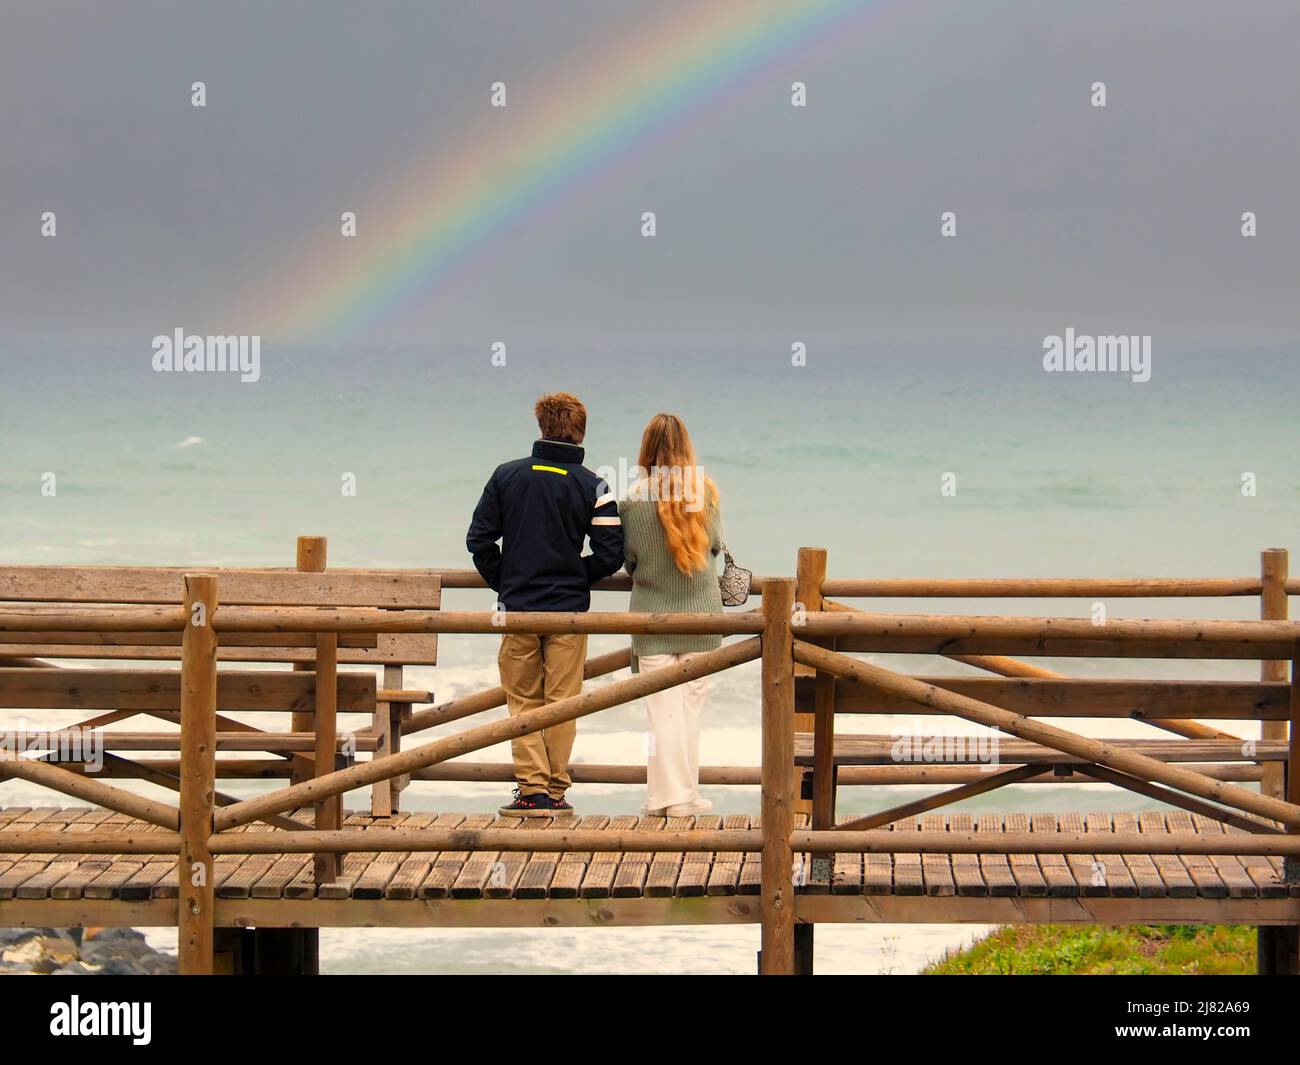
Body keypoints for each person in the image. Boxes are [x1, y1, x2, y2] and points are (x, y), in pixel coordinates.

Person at [467, 392, 623, 816]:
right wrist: (574, 575)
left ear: (541, 426)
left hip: (517, 606)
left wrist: (507, 579)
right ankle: (555, 790)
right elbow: (611, 555)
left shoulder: (506, 476)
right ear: (581, 430)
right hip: (569, 610)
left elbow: (478, 541)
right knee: (564, 701)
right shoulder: (595, 485)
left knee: (521, 699)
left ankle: (531, 791)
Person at [619, 413, 724, 817]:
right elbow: (714, 546)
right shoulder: (707, 493)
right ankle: (681, 795)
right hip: (702, 619)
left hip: (652, 619)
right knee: (690, 712)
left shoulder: (632, 500)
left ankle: (671, 797)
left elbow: (630, 561)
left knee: (662, 714)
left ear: (647, 449)